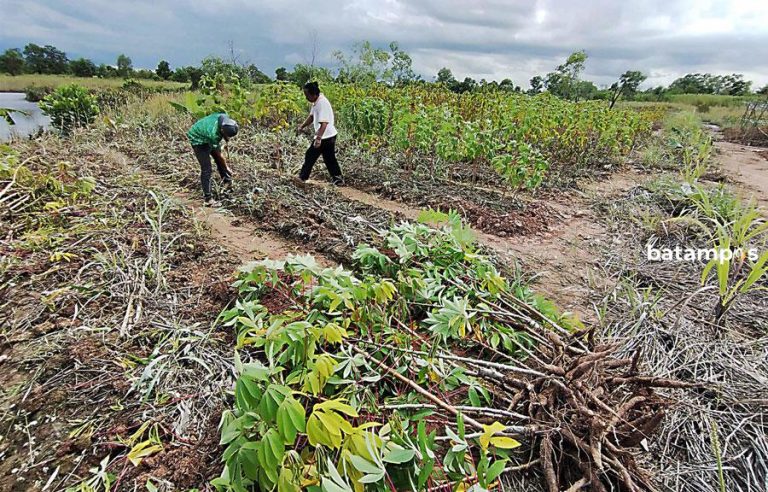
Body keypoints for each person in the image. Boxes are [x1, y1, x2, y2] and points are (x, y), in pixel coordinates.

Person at [297, 82, 344, 186]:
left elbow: (324, 123)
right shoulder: (317, 102)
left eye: (307, 95)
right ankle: (338, 179)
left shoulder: (322, 103)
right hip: (327, 135)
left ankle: (302, 177)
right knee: (329, 158)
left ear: (313, 94)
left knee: (310, 155)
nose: (306, 98)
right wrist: (302, 126)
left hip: (325, 135)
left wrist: (318, 139)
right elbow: (312, 117)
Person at [187, 113, 238, 205]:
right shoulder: (213, 134)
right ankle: (208, 199)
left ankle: (227, 184)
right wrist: (227, 167)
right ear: (222, 130)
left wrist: (226, 137)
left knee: (220, 162)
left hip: (205, 132)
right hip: (198, 139)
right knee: (207, 169)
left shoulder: (224, 118)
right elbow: (219, 155)